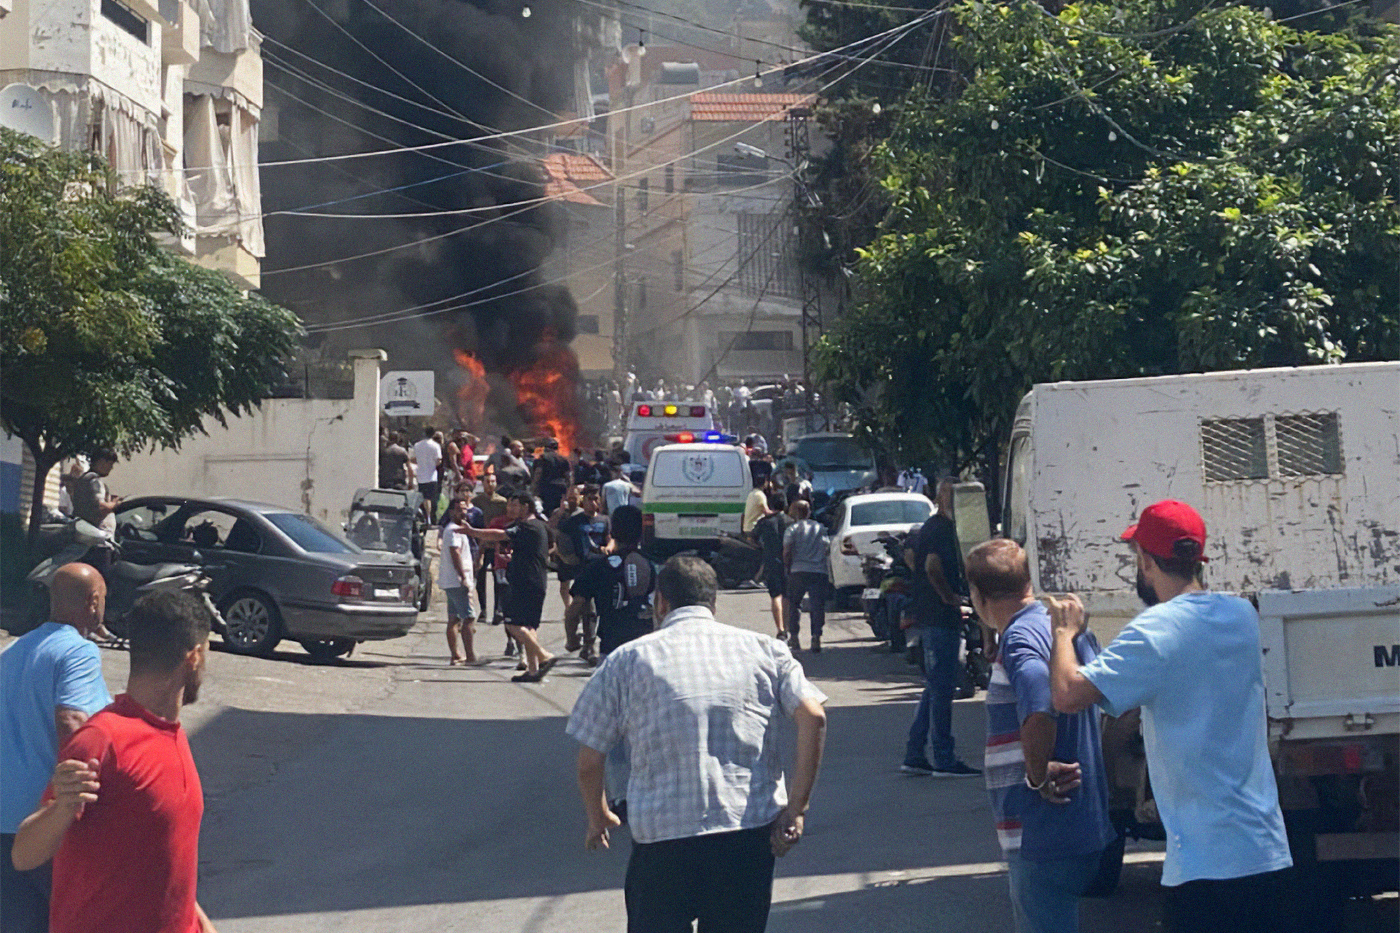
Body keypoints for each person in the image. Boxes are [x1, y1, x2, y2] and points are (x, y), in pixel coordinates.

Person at [1047, 500, 1292, 933]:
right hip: (1265, 847)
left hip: (1205, 861)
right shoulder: (1242, 617)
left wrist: (1065, 634)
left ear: (1144, 560)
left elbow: (1067, 694)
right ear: (1198, 558)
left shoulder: (1155, 631)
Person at [566, 555, 828, 933]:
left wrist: (597, 816)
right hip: (745, 836)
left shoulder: (626, 661)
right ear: (713, 603)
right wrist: (796, 807)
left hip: (662, 843)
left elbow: (590, 760)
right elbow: (814, 717)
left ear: (660, 603)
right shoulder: (765, 651)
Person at [12, 590, 218, 933]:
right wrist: (61, 808)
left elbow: (166, 863)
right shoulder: (102, 739)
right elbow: (23, 855)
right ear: (194, 656)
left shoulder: (172, 734)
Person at [966, 540, 1115, 933]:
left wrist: (1036, 775)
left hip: (1043, 832)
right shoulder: (1065, 631)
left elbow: (1038, 699)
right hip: (1082, 824)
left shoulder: (1018, 639)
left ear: (978, 597)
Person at [1, 564, 113, 933]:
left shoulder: (14, 652)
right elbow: (72, 721)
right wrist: (79, 803)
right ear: (93, 601)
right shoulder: (78, 652)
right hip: (45, 825)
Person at [900, 479, 980, 778]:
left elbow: (912, 557)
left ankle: (915, 752)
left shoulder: (930, 527)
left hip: (930, 614)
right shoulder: (942, 530)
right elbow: (933, 565)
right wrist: (949, 597)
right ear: (942, 498)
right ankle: (944, 758)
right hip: (939, 616)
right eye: (952, 495)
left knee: (935, 685)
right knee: (942, 689)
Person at [460, 494, 557, 682]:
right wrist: (514, 560)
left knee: (512, 624)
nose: (513, 509)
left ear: (526, 506)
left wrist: (473, 531)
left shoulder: (526, 526)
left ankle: (544, 655)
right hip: (537, 580)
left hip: (525, 583)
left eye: (517, 505)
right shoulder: (539, 526)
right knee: (529, 626)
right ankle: (533, 670)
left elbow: (498, 535)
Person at [565, 505, 654, 670]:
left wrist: (572, 638)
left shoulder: (599, 567)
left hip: (612, 649)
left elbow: (576, 606)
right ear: (641, 532)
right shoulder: (651, 565)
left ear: (612, 533)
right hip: (648, 649)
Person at [559, 487, 608, 661]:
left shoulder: (604, 520)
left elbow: (611, 540)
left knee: (592, 610)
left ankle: (589, 646)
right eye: (589, 499)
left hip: (601, 569)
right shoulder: (574, 521)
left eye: (596, 499)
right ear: (583, 501)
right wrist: (565, 557)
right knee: (578, 605)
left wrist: (608, 548)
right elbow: (560, 536)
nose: (593, 503)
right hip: (582, 569)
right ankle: (572, 638)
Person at [782, 500, 830, 653]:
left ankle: (794, 637)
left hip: (798, 570)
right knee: (817, 606)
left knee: (794, 604)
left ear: (795, 512)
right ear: (809, 512)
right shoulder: (820, 528)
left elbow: (787, 551)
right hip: (818, 571)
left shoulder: (792, 529)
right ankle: (816, 637)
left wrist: (787, 567)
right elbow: (826, 547)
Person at [440, 497, 481, 666]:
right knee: (469, 618)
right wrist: (463, 577)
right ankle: (470, 656)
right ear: (451, 512)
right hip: (457, 582)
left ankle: (455, 655)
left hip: (452, 581)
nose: (462, 512)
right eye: (458, 509)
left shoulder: (459, 529)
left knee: (454, 619)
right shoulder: (453, 530)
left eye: (464, 509)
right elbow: (455, 553)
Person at [755, 492, 791, 640]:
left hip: (771, 561)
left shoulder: (765, 522)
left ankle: (780, 629)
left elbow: (753, 537)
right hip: (789, 562)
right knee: (787, 597)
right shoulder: (790, 521)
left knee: (775, 596)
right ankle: (788, 628)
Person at [532, 437, 573, 517]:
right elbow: (569, 478)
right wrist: (568, 492)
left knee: (545, 512)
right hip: (560, 490)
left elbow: (538, 474)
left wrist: (533, 490)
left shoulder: (542, 458)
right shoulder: (563, 459)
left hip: (546, 489)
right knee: (558, 512)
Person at [412, 427, 443, 522]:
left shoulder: (417, 445)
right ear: (433, 434)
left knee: (423, 498)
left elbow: (414, 459)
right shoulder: (435, 445)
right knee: (431, 499)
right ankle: (430, 518)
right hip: (432, 476)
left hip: (421, 476)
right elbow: (438, 460)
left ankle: (423, 518)